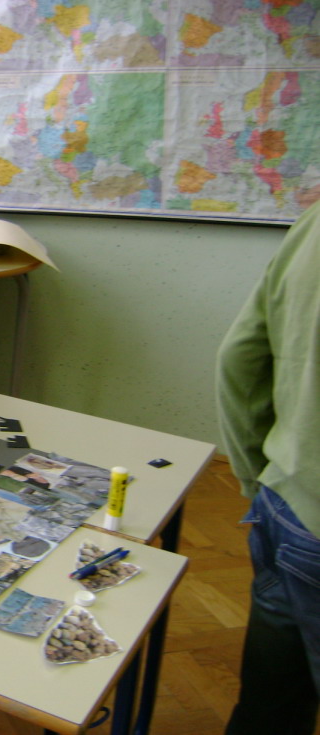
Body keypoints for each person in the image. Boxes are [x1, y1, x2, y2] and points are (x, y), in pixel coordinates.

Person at [216, 199, 320, 735]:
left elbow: (239, 357)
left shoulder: (314, 219)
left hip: (285, 502)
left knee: (272, 701)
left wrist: (259, 478)